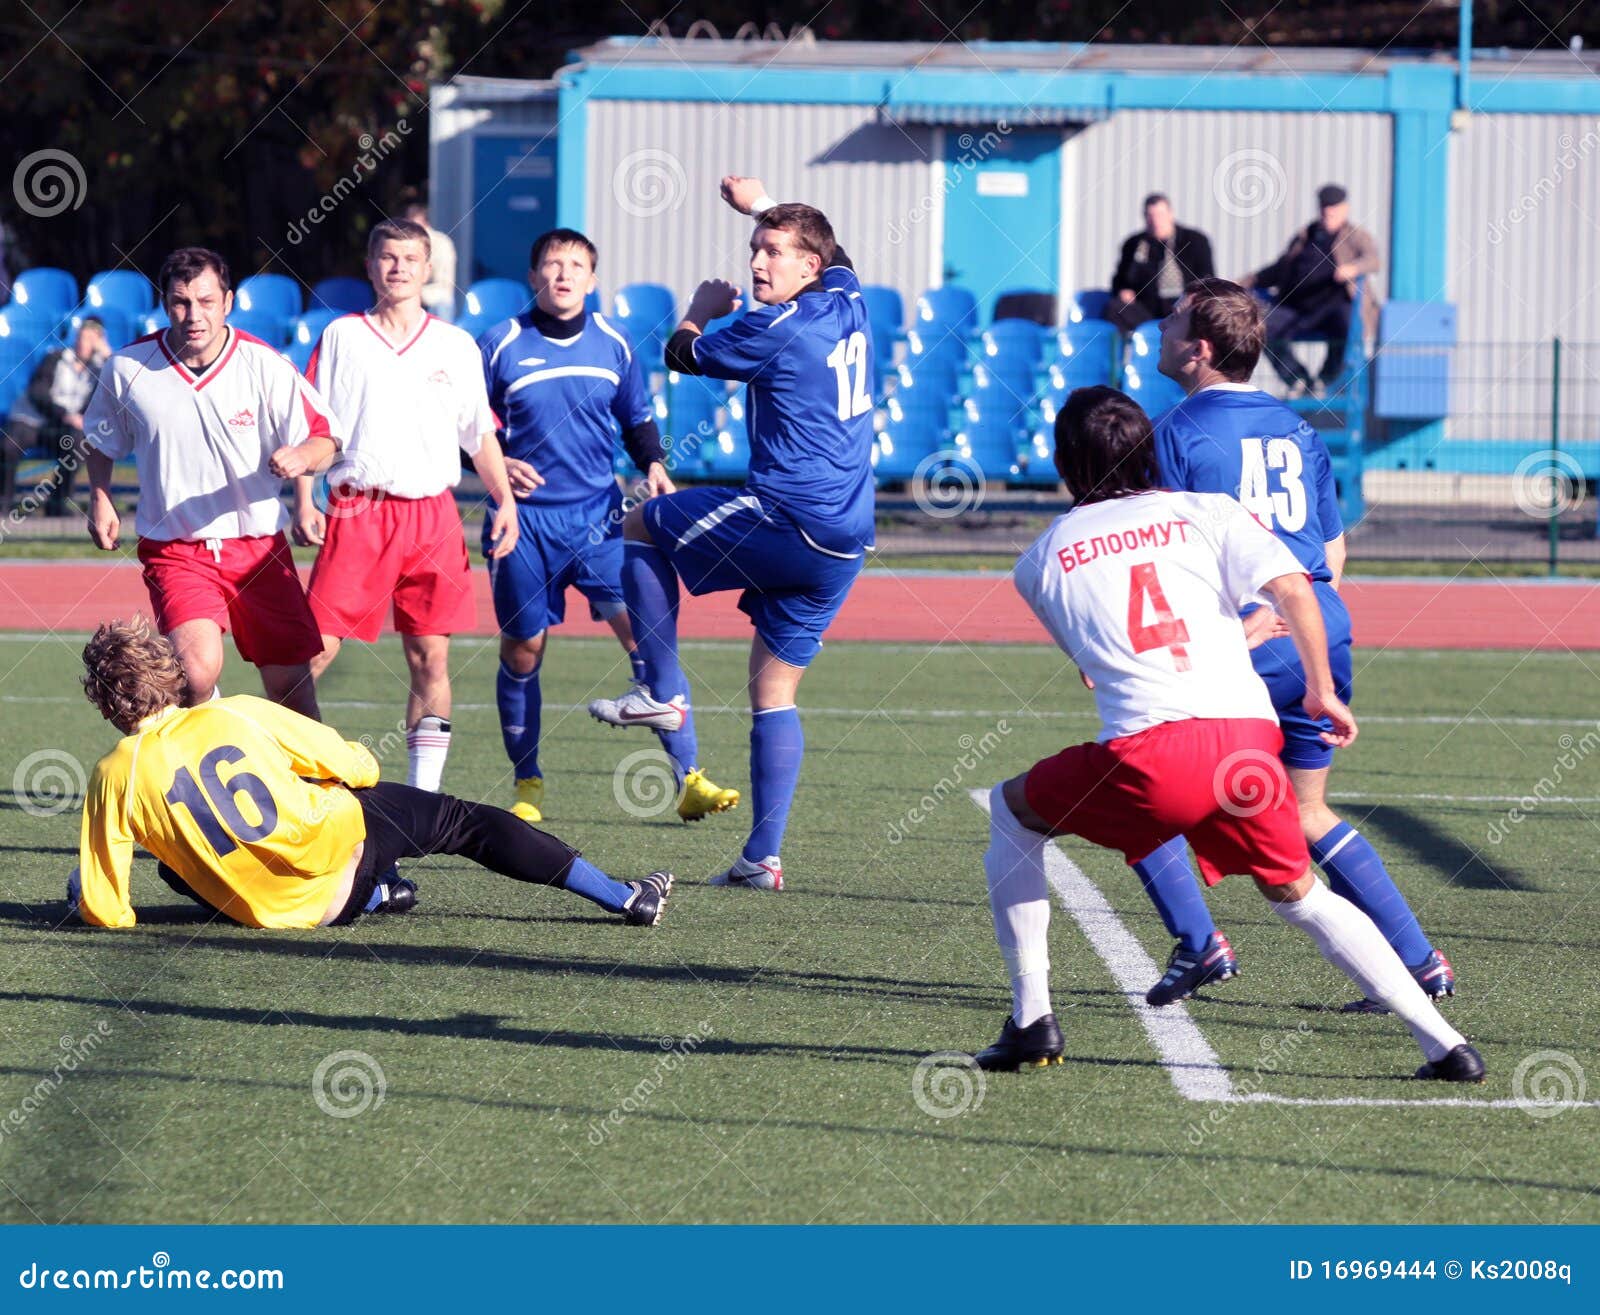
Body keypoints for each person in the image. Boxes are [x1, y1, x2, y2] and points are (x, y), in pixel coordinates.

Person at [967, 387, 1483, 1084]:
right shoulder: (1207, 510)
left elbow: (1100, 670)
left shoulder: (1041, 557)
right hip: (1247, 742)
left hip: (1152, 754)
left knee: (1012, 812)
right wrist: (1321, 687)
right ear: (1150, 452)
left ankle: (1033, 1017)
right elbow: (1298, 589)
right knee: (1302, 892)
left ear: (1065, 464)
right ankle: (1445, 1042)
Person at [1137, 277, 1454, 1012]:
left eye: (1174, 321)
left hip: (1247, 635)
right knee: (1310, 813)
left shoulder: (1178, 432)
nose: (1161, 326)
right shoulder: (1300, 428)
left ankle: (1198, 940)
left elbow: (1170, 560)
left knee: (1137, 776)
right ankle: (1418, 961)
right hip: (1320, 627)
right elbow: (1333, 553)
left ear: (1200, 350)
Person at [587, 175, 874, 891]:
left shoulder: (775, 327)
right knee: (773, 692)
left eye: (773, 251)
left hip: (790, 517)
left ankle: (662, 690)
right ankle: (761, 859)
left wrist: (698, 310)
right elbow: (832, 247)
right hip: (845, 542)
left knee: (641, 521)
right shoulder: (848, 298)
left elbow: (681, 357)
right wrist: (761, 204)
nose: (756, 264)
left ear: (808, 265)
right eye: (754, 249)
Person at [69, 616, 671, 930]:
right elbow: (357, 764)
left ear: (104, 704)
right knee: (467, 823)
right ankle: (623, 897)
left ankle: (385, 893)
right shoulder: (237, 711)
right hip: (345, 859)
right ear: (169, 673)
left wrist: (84, 892)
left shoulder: (112, 775)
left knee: (175, 860)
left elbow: (106, 910)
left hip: (279, 917)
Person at [477, 227, 729, 824]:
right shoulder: (498, 343)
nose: (563, 274)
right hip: (522, 527)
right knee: (523, 650)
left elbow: (637, 420)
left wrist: (656, 465)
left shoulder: (615, 344)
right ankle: (528, 782)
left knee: (647, 643)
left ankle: (690, 778)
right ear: (534, 275)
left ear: (592, 280)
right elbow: (465, 428)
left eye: (576, 266)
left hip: (599, 520)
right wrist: (495, 464)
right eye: (551, 264)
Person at [294, 218, 518, 794]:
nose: (398, 268)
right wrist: (304, 498)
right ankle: (295, 776)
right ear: (370, 267)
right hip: (357, 511)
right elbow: (307, 427)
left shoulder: (457, 345)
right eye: (387, 258)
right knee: (310, 653)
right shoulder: (342, 336)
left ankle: (423, 799)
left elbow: (480, 436)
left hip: (432, 515)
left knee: (430, 661)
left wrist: (506, 501)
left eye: (410, 259)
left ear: (427, 269)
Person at [82, 247, 337, 719]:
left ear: (228, 301)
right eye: (180, 302)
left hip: (259, 549)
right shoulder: (128, 368)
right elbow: (98, 438)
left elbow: (327, 437)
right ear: (164, 302)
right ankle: (206, 776)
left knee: (291, 690)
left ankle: (315, 787)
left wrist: (302, 458)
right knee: (196, 675)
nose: (193, 314)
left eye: (205, 301)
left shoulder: (265, 364)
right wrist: (101, 498)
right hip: (177, 548)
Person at [1245, 184, 1380, 397]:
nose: (1329, 211)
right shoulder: (1305, 236)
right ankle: (1298, 378)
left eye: (1334, 206)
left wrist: (1352, 268)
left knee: (1347, 325)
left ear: (1345, 208)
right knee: (1259, 327)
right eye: (1325, 206)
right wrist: (1244, 281)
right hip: (1297, 308)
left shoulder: (1356, 236)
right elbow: (1278, 269)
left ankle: (1326, 380)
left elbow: (1373, 260)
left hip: (1334, 307)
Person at [2, 316, 109, 515]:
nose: (82, 342)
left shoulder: (99, 370)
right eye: (81, 337)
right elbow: (38, 393)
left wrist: (107, 356)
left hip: (60, 429)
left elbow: (116, 390)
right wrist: (64, 415)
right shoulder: (55, 357)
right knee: (8, 444)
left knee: (78, 442)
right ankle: (3, 502)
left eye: (90, 339)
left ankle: (57, 503)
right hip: (32, 421)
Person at [1108, 194, 1215, 333]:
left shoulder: (1195, 240)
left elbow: (1207, 278)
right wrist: (1123, 291)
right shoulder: (1134, 244)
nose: (1155, 221)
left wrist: (1191, 300)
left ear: (1170, 214)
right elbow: (1119, 280)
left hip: (1184, 307)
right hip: (1146, 309)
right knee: (1114, 308)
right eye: (1150, 215)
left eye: (1160, 215)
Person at [404, 200, 458, 320]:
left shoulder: (441, 242)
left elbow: (442, 284)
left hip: (437, 302)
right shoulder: (407, 243)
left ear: (425, 222)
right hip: (414, 299)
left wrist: (413, 293)